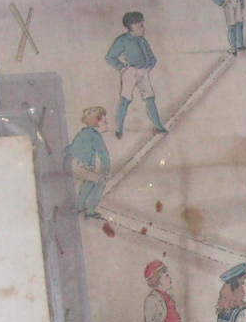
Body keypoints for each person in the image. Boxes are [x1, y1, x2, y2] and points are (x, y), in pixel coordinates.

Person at [104, 11, 168, 139]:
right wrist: (122, 68)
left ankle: (158, 127)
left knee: (150, 99)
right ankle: (119, 129)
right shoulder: (122, 40)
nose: (143, 28)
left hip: (143, 72)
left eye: (143, 25)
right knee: (125, 100)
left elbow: (152, 57)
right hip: (130, 73)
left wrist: (149, 66)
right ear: (132, 26)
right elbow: (110, 57)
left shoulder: (142, 40)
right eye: (140, 26)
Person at [63, 106, 109, 218]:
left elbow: (70, 148)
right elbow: (104, 155)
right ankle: (90, 210)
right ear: (96, 122)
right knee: (101, 181)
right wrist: (106, 171)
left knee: (90, 180)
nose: (107, 124)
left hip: (70, 163)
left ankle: (79, 206)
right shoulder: (95, 136)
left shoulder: (82, 132)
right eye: (104, 121)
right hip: (78, 166)